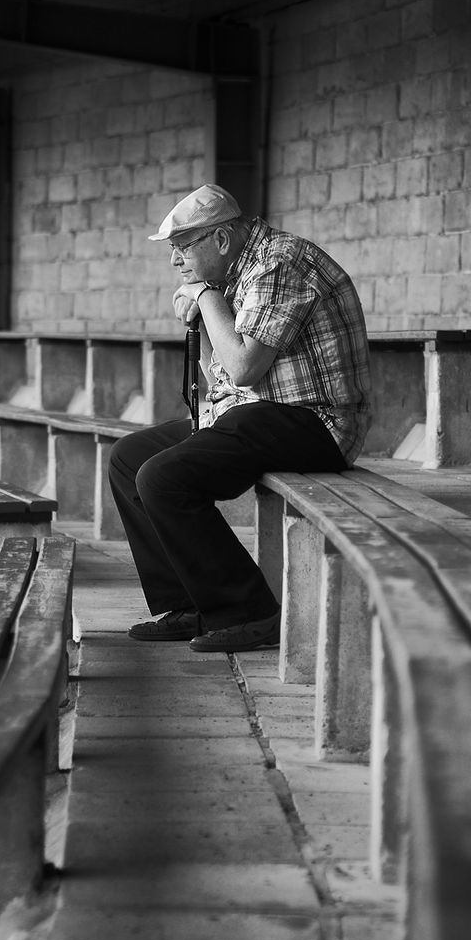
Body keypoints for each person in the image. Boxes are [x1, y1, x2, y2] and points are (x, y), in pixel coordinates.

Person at [108, 183, 371, 653]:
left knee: (164, 477)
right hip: (259, 411)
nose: (175, 262)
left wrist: (207, 299)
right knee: (130, 458)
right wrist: (200, 320)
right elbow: (223, 377)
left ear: (222, 240)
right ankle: (190, 602)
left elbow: (247, 366)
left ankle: (250, 612)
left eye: (182, 247)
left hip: (316, 421)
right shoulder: (239, 269)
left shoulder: (279, 262)